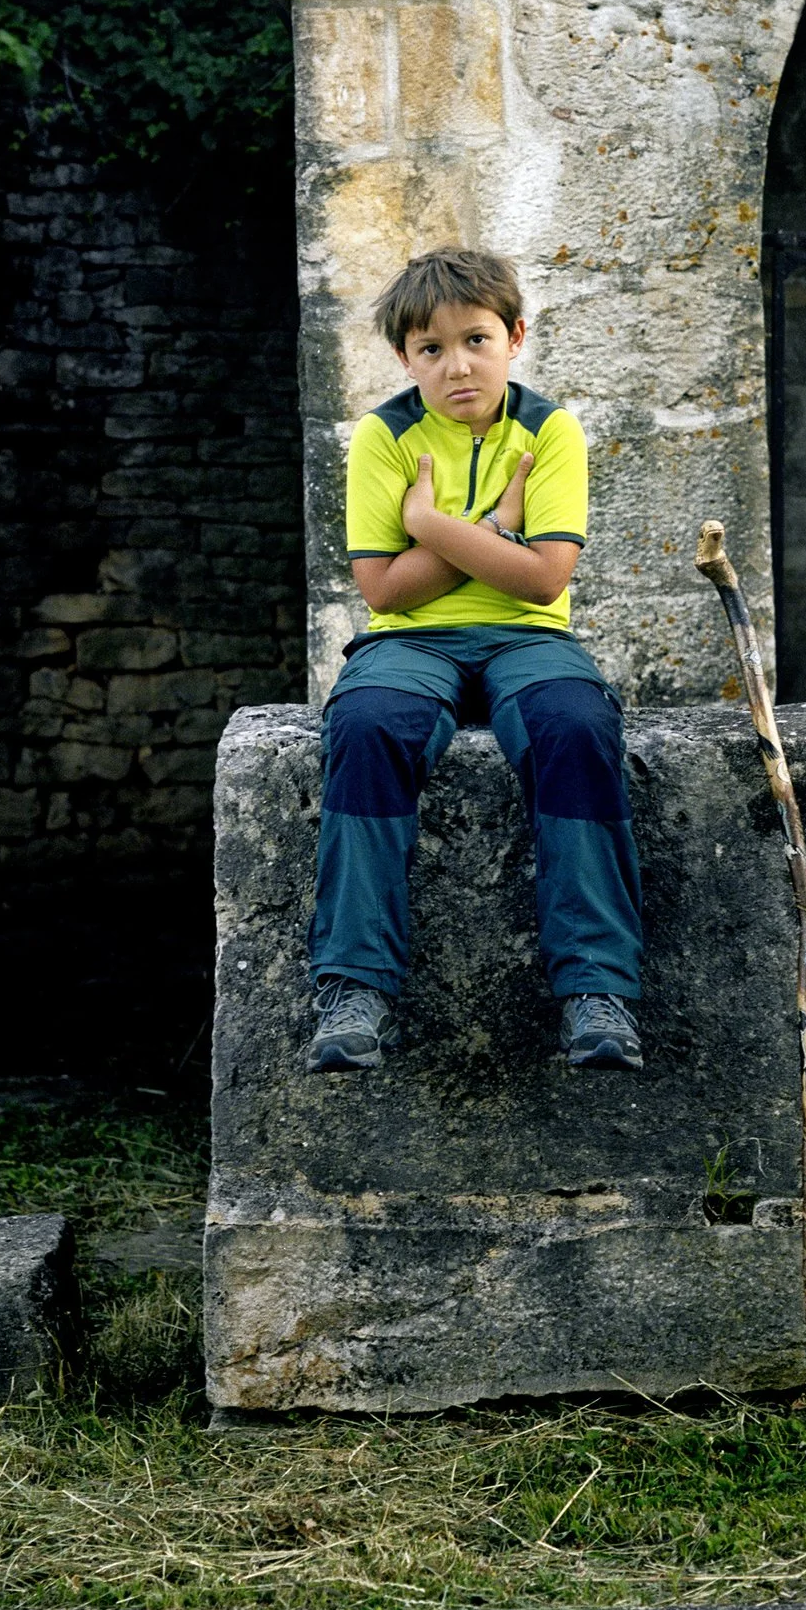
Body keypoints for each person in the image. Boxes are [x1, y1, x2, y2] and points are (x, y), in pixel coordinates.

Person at [306, 246, 645, 1075]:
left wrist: (433, 524)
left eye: (476, 340)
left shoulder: (551, 430)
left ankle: (597, 990)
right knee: (367, 723)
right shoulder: (384, 436)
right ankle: (356, 991)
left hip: (530, 638)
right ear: (404, 358)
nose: (456, 365)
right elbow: (385, 590)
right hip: (408, 642)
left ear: (515, 336)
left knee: (575, 724)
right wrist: (494, 527)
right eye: (431, 349)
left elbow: (542, 577)